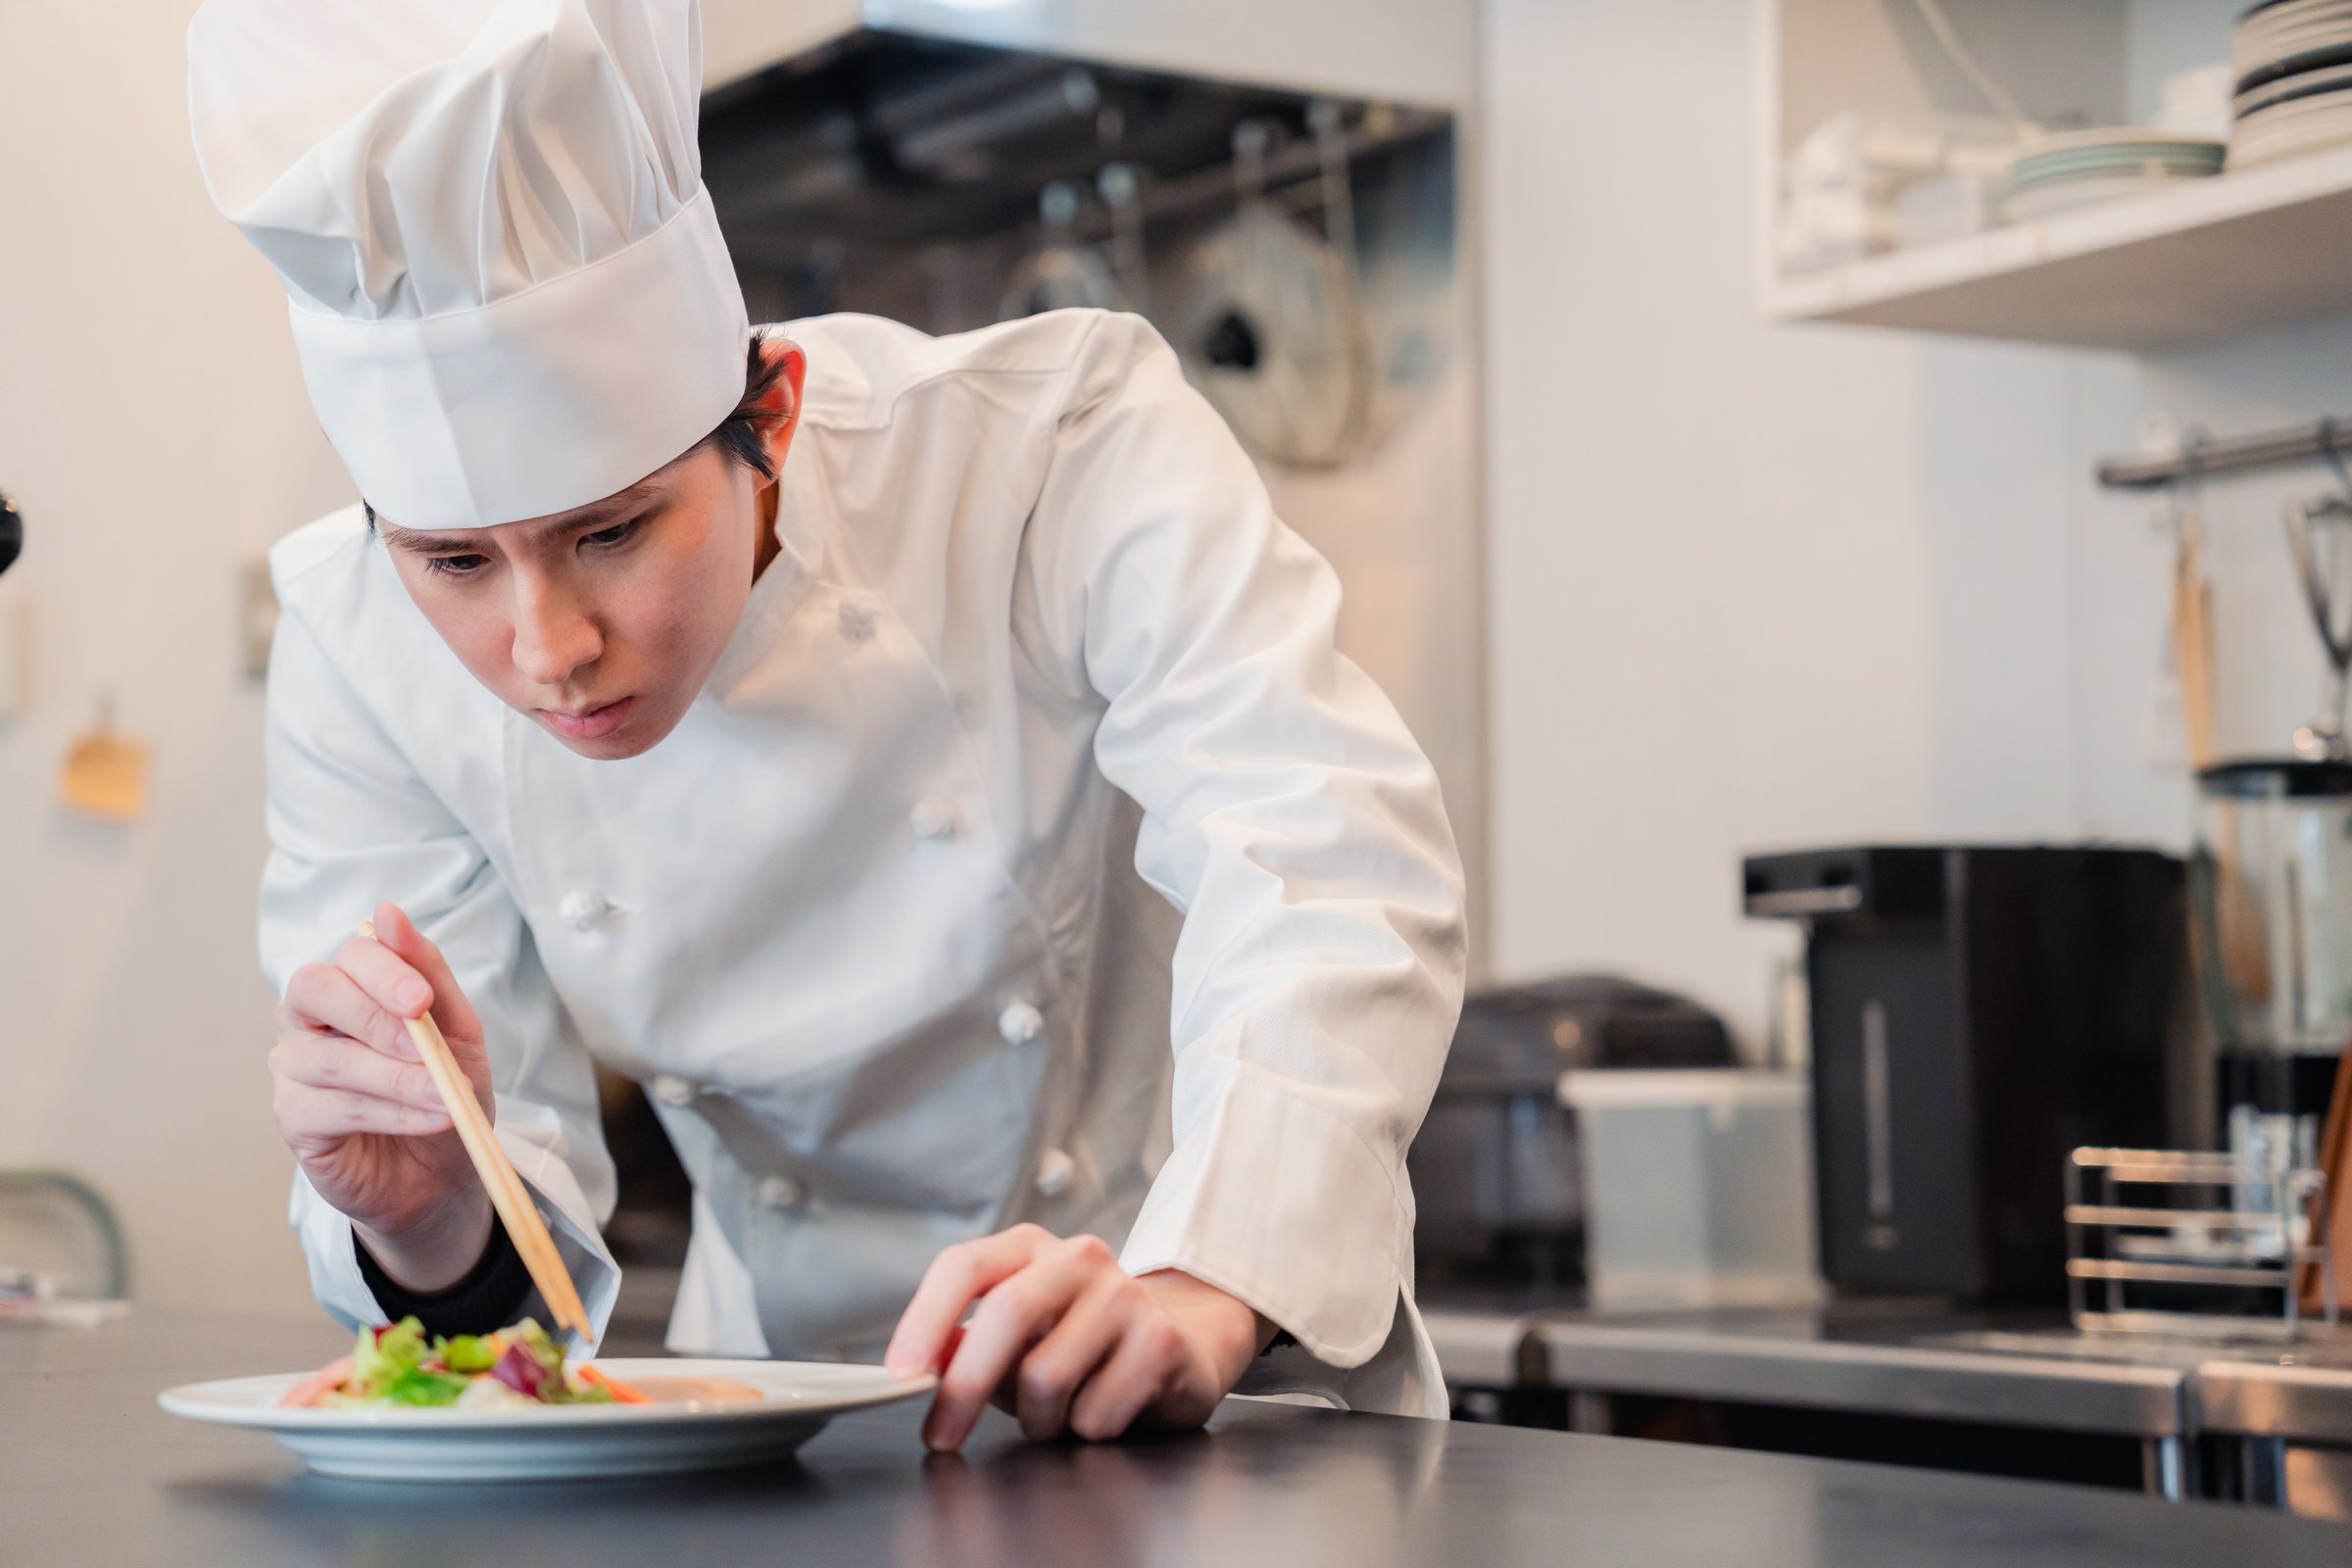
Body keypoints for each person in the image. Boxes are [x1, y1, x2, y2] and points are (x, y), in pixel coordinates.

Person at [190, 0, 1464, 1448]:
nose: (548, 653)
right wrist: (430, 1216)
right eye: (455, 562)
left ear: (772, 415)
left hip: (1179, 1376)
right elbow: (491, 1280)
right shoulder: (356, 643)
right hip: (770, 1431)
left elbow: (1317, 852)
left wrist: (1204, 1276)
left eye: (612, 533)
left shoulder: (1055, 447)